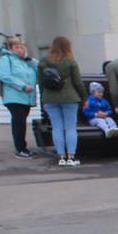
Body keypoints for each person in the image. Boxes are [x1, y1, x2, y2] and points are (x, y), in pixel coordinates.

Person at [39, 36, 85, 166]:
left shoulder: (43, 61)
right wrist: (84, 97)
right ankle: (71, 157)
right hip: (69, 97)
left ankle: (61, 157)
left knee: (57, 128)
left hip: (50, 98)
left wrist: (43, 99)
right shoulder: (70, 61)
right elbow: (78, 82)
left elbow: (40, 82)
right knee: (70, 128)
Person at [0, 35, 38, 158]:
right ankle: (20, 148)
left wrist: (28, 58)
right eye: (16, 47)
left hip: (27, 97)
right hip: (14, 96)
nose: (19, 49)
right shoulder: (6, 59)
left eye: (21, 46)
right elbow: (4, 76)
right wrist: (22, 86)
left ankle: (22, 147)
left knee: (22, 121)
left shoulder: (26, 61)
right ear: (10, 48)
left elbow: (39, 69)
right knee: (19, 122)